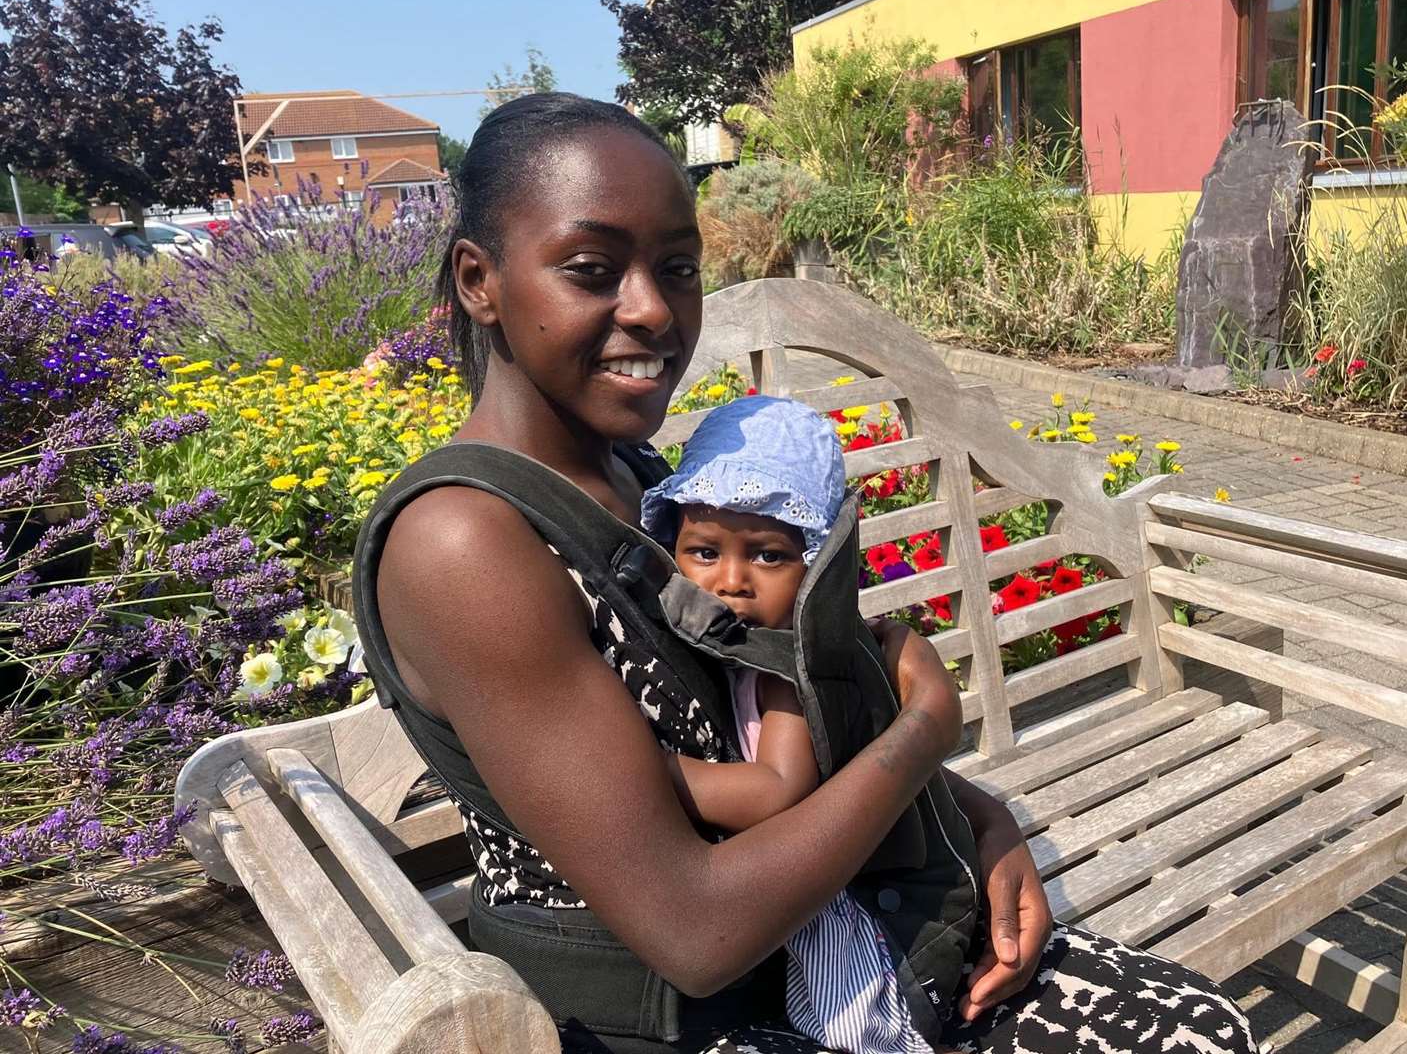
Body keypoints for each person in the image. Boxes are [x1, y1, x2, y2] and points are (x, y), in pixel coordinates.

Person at [358, 92, 1260, 1054]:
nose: (654, 309)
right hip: (673, 1019)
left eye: (678, 269)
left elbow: (768, 718)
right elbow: (692, 931)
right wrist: (923, 734)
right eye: (592, 270)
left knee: (1201, 1025)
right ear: (478, 280)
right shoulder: (465, 542)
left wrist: (979, 819)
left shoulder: (645, 484)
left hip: (809, 950)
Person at [642, 393, 963, 1054]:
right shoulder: (744, 647)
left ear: (815, 566)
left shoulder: (794, 668)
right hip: (798, 885)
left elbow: (777, 792)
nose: (730, 582)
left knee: (859, 1030)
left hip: (851, 909)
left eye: (767, 557)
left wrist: (651, 772)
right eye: (703, 552)